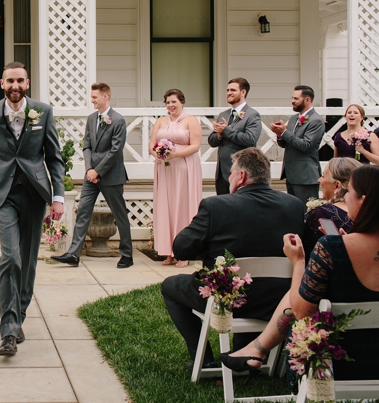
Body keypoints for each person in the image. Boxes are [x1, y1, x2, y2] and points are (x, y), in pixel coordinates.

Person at [221, 164, 379, 381]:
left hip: (334, 362)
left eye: (349, 191)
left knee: (299, 296)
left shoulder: (331, 247)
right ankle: (255, 349)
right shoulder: (337, 245)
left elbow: (301, 312)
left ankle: (257, 349)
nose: (344, 196)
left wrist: (298, 261)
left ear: (363, 201)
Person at [161, 148, 304, 370]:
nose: (229, 178)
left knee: (170, 286)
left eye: (231, 173)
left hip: (228, 301)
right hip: (276, 300)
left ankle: (205, 361)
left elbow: (181, 249)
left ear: (241, 176)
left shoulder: (215, 206)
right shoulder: (294, 205)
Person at [0, 62, 65, 356]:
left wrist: (58, 196)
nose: (15, 85)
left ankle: (19, 316)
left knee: (27, 261)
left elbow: (54, 157)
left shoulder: (43, 111)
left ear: (27, 83)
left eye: (20, 81)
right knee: (10, 257)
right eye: (10, 81)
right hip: (4, 194)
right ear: (2, 84)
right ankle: (8, 331)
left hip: (35, 192)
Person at [51, 82, 132, 268]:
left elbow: (115, 151)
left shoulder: (118, 120)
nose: (92, 100)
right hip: (91, 177)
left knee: (120, 215)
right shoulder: (91, 118)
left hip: (111, 176)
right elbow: (86, 146)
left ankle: (127, 255)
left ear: (105, 97)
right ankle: (73, 254)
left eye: (95, 97)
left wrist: (98, 170)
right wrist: (89, 170)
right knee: (83, 212)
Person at [149, 89, 202, 267]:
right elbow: (152, 144)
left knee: (182, 207)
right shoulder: (160, 121)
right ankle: (168, 252)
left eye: (174, 102)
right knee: (166, 207)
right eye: (168, 102)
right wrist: (156, 154)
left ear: (182, 102)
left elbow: (195, 146)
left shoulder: (190, 120)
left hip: (184, 169)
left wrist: (174, 155)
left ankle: (184, 253)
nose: (170, 105)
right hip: (164, 170)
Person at [270, 86, 324, 204]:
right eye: (292, 98)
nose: (292, 101)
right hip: (291, 175)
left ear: (307, 100)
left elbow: (306, 145)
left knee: (307, 211)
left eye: (296, 98)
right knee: (293, 210)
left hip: (306, 176)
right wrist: (280, 135)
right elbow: (286, 144)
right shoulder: (294, 118)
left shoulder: (316, 121)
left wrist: (284, 132)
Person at [208, 78, 262, 195]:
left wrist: (226, 130)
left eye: (233, 90)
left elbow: (250, 139)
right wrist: (219, 135)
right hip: (222, 174)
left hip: (242, 173)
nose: (229, 93)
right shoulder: (223, 114)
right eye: (227, 90)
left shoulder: (252, 114)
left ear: (243, 92)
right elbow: (212, 141)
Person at [301, 157, 360, 256]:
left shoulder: (321, 213)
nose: (319, 180)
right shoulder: (370, 211)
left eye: (323, 176)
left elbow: (309, 253)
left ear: (337, 185)